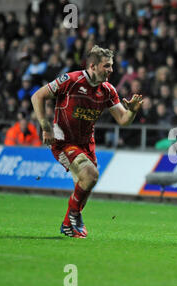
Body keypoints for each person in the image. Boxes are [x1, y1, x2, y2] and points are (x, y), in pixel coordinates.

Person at [31, 45, 143, 238]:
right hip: (63, 141)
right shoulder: (71, 80)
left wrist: (132, 110)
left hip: (86, 144)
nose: (111, 70)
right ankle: (74, 216)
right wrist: (46, 126)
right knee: (90, 175)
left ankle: (68, 224)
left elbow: (123, 121)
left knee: (87, 183)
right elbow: (38, 96)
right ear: (93, 66)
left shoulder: (107, 90)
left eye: (111, 66)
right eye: (106, 66)